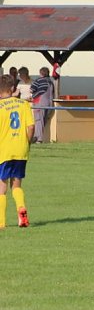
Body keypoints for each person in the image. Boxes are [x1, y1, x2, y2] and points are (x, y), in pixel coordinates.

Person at [0, 74, 33, 228]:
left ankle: (1, 221)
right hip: (21, 149)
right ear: (13, 88)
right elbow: (31, 127)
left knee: (2, 186)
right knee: (17, 185)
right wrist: (27, 142)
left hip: (4, 150)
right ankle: (21, 211)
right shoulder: (24, 104)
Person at [30, 67, 54, 144]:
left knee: (38, 121)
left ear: (40, 73)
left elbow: (31, 89)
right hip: (49, 104)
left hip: (39, 103)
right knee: (43, 121)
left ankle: (38, 139)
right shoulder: (50, 82)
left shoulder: (39, 80)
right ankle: (38, 137)